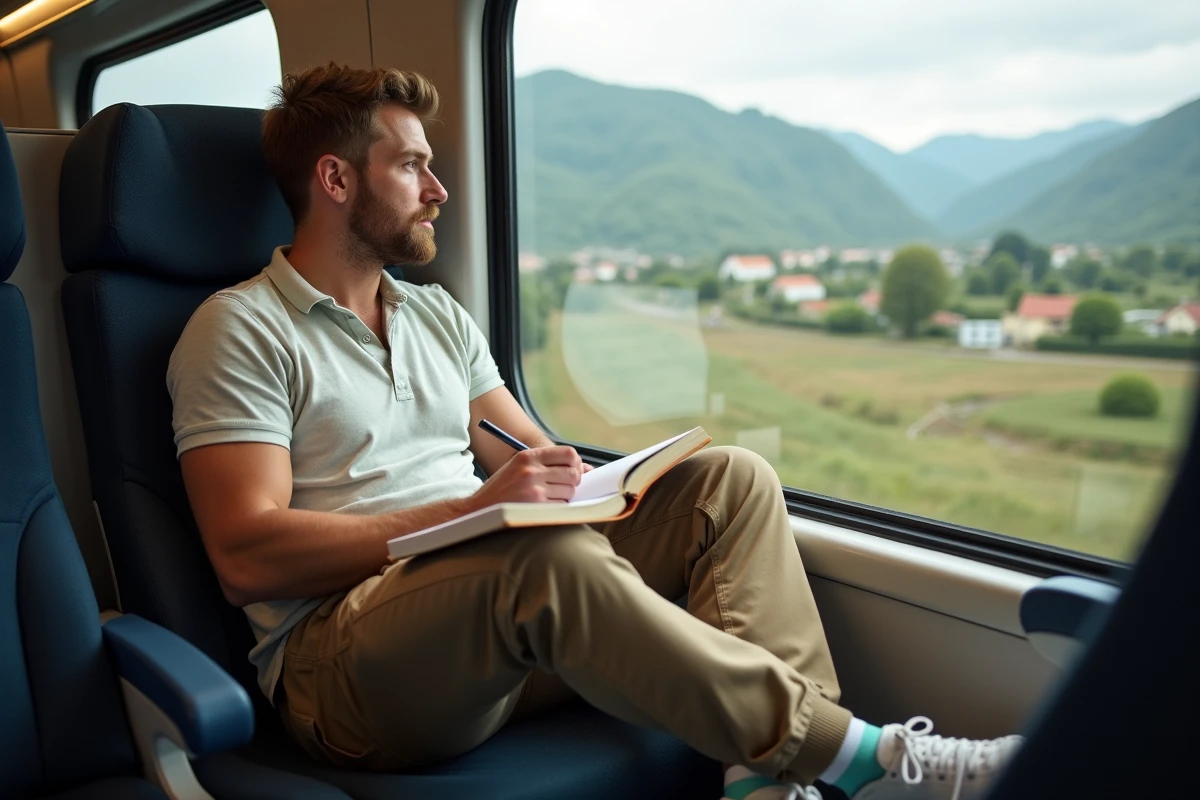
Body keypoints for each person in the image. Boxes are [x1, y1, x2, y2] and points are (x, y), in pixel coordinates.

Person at [167, 63, 1022, 800]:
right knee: (533, 557)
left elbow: (530, 457)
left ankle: (769, 782)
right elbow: (247, 556)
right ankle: (877, 761)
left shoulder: (433, 315)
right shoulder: (241, 328)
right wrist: (474, 518)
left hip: (499, 620)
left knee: (729, 480)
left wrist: (582, 485)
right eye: (413, 166)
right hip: (351, 670)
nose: (440, 190)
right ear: (336, 180)